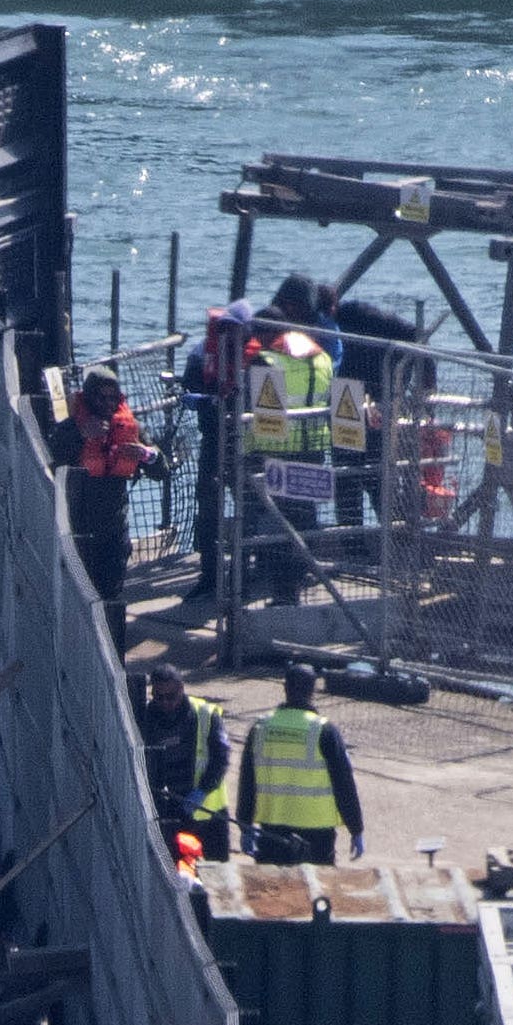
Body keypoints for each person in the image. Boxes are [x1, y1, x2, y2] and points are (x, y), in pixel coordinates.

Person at [48, 363, 157, 652]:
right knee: (80, 595)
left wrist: (146, 455)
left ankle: (112, 655)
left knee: (112, 596)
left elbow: (161, 468)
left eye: (112, 398)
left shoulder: (131, 428)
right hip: (78, 529)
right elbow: (52, 461)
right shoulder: (70, 427)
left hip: (114, 529)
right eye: (101, 397)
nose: (107, 404)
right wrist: (81, 436)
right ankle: (76, 650)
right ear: (89, 396)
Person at [248, 284, 335, 605]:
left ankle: (284, 590)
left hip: (278, 449)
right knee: (305, 516)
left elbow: (253, 406)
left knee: (277, 521)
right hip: (313, 448)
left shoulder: (266, 361)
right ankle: (304, 573)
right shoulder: (322, 357)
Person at [236, 663, 365, 866]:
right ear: (313, 690)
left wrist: (245, 825)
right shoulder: (323, 730)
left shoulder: (261, 728)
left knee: (272, 885)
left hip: (273, 830)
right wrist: (355, 829)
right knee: (315, 886)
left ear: (285, 687)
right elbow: (344, 784)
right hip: (317, 833)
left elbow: (247, 781)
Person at [330, 298, 420, 559]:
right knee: (364, 478)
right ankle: (373, 543)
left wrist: (404, 381)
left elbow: (415, 336)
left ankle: (371, 544)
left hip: (359, 400)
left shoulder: (353, 318)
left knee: (362, 478)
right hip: (359, 399)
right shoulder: (389, 331)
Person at [184, 298, 260, 598]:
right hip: (213, 442)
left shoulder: (260, 359)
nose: (230, 333)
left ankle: (243, 577)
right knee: (208, 511)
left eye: (236, 328)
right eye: (225, 327)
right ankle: (209, 577)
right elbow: (189, 384)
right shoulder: (202, 352)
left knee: (250, 510)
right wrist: (202, 397)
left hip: (249, 445)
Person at [138, 663, 232, 861]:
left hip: (207, 815)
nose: (165, 703)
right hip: (168, 815)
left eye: (171, 696)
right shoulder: (146, 719)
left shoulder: (205, 714)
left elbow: (221, 759)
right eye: (159, 697)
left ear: (181, 689)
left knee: (215, 873)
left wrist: (201, 792)